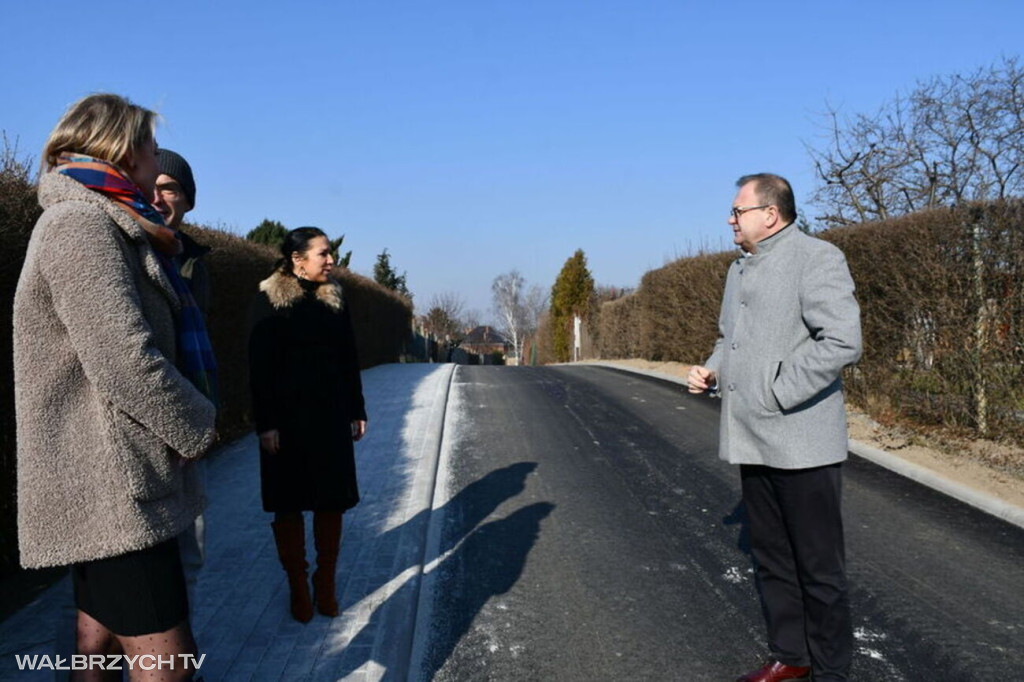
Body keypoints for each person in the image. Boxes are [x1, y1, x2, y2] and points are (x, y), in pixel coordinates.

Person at [13, 94, 217, 680]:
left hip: (114, 475)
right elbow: (125, 358)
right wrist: (198, 424)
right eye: (151, 145)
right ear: (123, 150)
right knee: (169, 665)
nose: (159, 157)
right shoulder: (81, 225)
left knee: (95, 644)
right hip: (116, 487)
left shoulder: (110, 223)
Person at [687, 173, 862, 682]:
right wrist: (712, 367)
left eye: (738, 211)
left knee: (820, 572)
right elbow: (729, 338)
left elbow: (842, 341)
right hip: (752, 437)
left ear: (771, 213)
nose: (730, 219)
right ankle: (792, 657)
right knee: (771, 559)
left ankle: (832, 672)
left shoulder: (818, 257)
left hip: (803, 438)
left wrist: (778, 390)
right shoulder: (738, 270)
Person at [248, 227, 368, 623]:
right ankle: (298, 587)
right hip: (285, 424)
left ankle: (326, 584)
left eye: (329, 253)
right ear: (297, 259)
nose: (331, 260)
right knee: (287, 504)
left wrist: (357, 409)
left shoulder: (335, 298)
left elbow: (349, 357)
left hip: (331, 418)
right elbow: (258, 369)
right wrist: (266, 424)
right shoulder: (267, 299)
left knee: (331, 501)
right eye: (323, 254)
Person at [154, 148, 212, 612]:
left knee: (190, 555)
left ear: (187, 200)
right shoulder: (129, 247)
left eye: (168, 187)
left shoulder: (193, 262)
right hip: (147, 423)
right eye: (149, 185)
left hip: (188, 425)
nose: (157, 195)